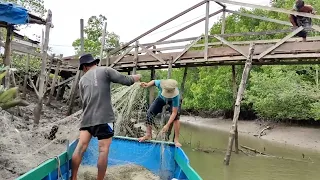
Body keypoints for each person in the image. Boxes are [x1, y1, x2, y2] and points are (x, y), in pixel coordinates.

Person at [71, 53, 141, 180]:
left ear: (85, 67)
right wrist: (137, 77)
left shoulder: (82, 81)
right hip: (104, 118)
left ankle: (73, 177)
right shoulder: (106, 70)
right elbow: (127, 80)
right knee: (103, 151)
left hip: (86, 120)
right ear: (94, 63)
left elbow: (84, 101)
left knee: (80, 148)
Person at [138, 79, 182, 147]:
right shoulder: (161, 84)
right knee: (150, 112)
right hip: (161, 98)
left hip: (171, 101)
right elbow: (154, 81)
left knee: (176, 118)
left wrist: (167, 125)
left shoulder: (176, 96)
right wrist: (147, 84)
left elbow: (174, 112)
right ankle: (148, 135)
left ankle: (176, 140)